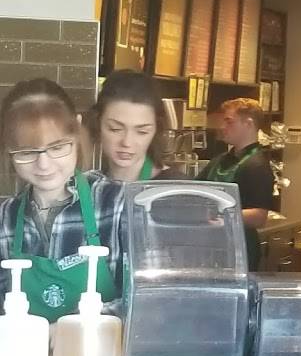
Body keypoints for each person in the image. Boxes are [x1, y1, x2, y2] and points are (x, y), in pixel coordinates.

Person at [0, 78, 125, 322]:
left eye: (57, 147)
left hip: (100, 347)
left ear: (77, 131)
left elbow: (147, 299)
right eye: (27, 152)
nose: (44, 165)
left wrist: (71, 327)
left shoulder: (115, 204)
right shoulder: (5, 218)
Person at [198, 98, 274, 271]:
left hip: (240, 249)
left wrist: (220, 214)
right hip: (213, 245)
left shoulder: (257, 165)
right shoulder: (220, 160)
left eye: (229, 121)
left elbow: (259, 216)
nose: (222, 127)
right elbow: (195, 189)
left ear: (248, 124)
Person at [89, 69, 181, 182]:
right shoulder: (86, 185)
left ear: (156, 130)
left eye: (142, 132)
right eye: (115, 129)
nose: (127, 143)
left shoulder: (174, 186)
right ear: (98, 123)